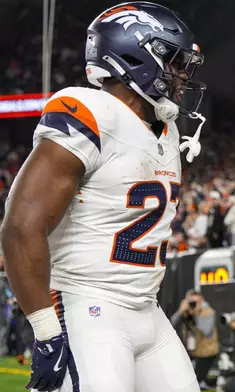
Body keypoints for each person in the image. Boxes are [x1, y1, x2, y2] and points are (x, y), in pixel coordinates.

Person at [0, 2, 206, 391]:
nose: (182, 75)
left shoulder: (166, 130)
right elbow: (20, 226)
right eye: (175, 62)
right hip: (87, 305)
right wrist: (46, 331)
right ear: (137, 55)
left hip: (147, 307)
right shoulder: (89, 111)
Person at [171, 290, 220, 390]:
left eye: (197, 302)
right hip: (191, 351)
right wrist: (180, 311)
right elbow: (172, 323)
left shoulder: (208, 312)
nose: (194, 305)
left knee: (194, 381)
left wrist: (196, 313)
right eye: (191, 302)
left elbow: (206, 330)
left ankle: (205, 383)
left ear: (202, 301)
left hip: (206, 353)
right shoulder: (186, 311)